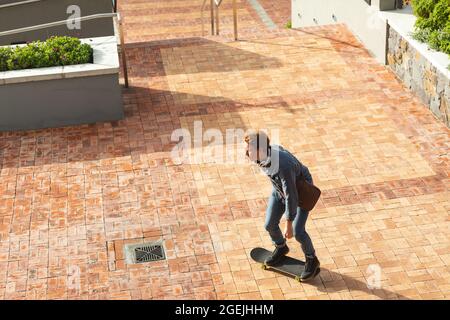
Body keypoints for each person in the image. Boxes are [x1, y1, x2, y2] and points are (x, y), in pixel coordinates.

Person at [244, 131, 320, 281]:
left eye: (249, 149)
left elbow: (291, 194)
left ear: (260, 150)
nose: (246, 152)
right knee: (269, 224)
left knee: (298, 231)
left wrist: (289, 223)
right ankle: (281, 247)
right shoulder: (263, 156)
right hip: (280, 189)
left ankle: (312, 259)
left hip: (300, 191)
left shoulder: (283, 165)